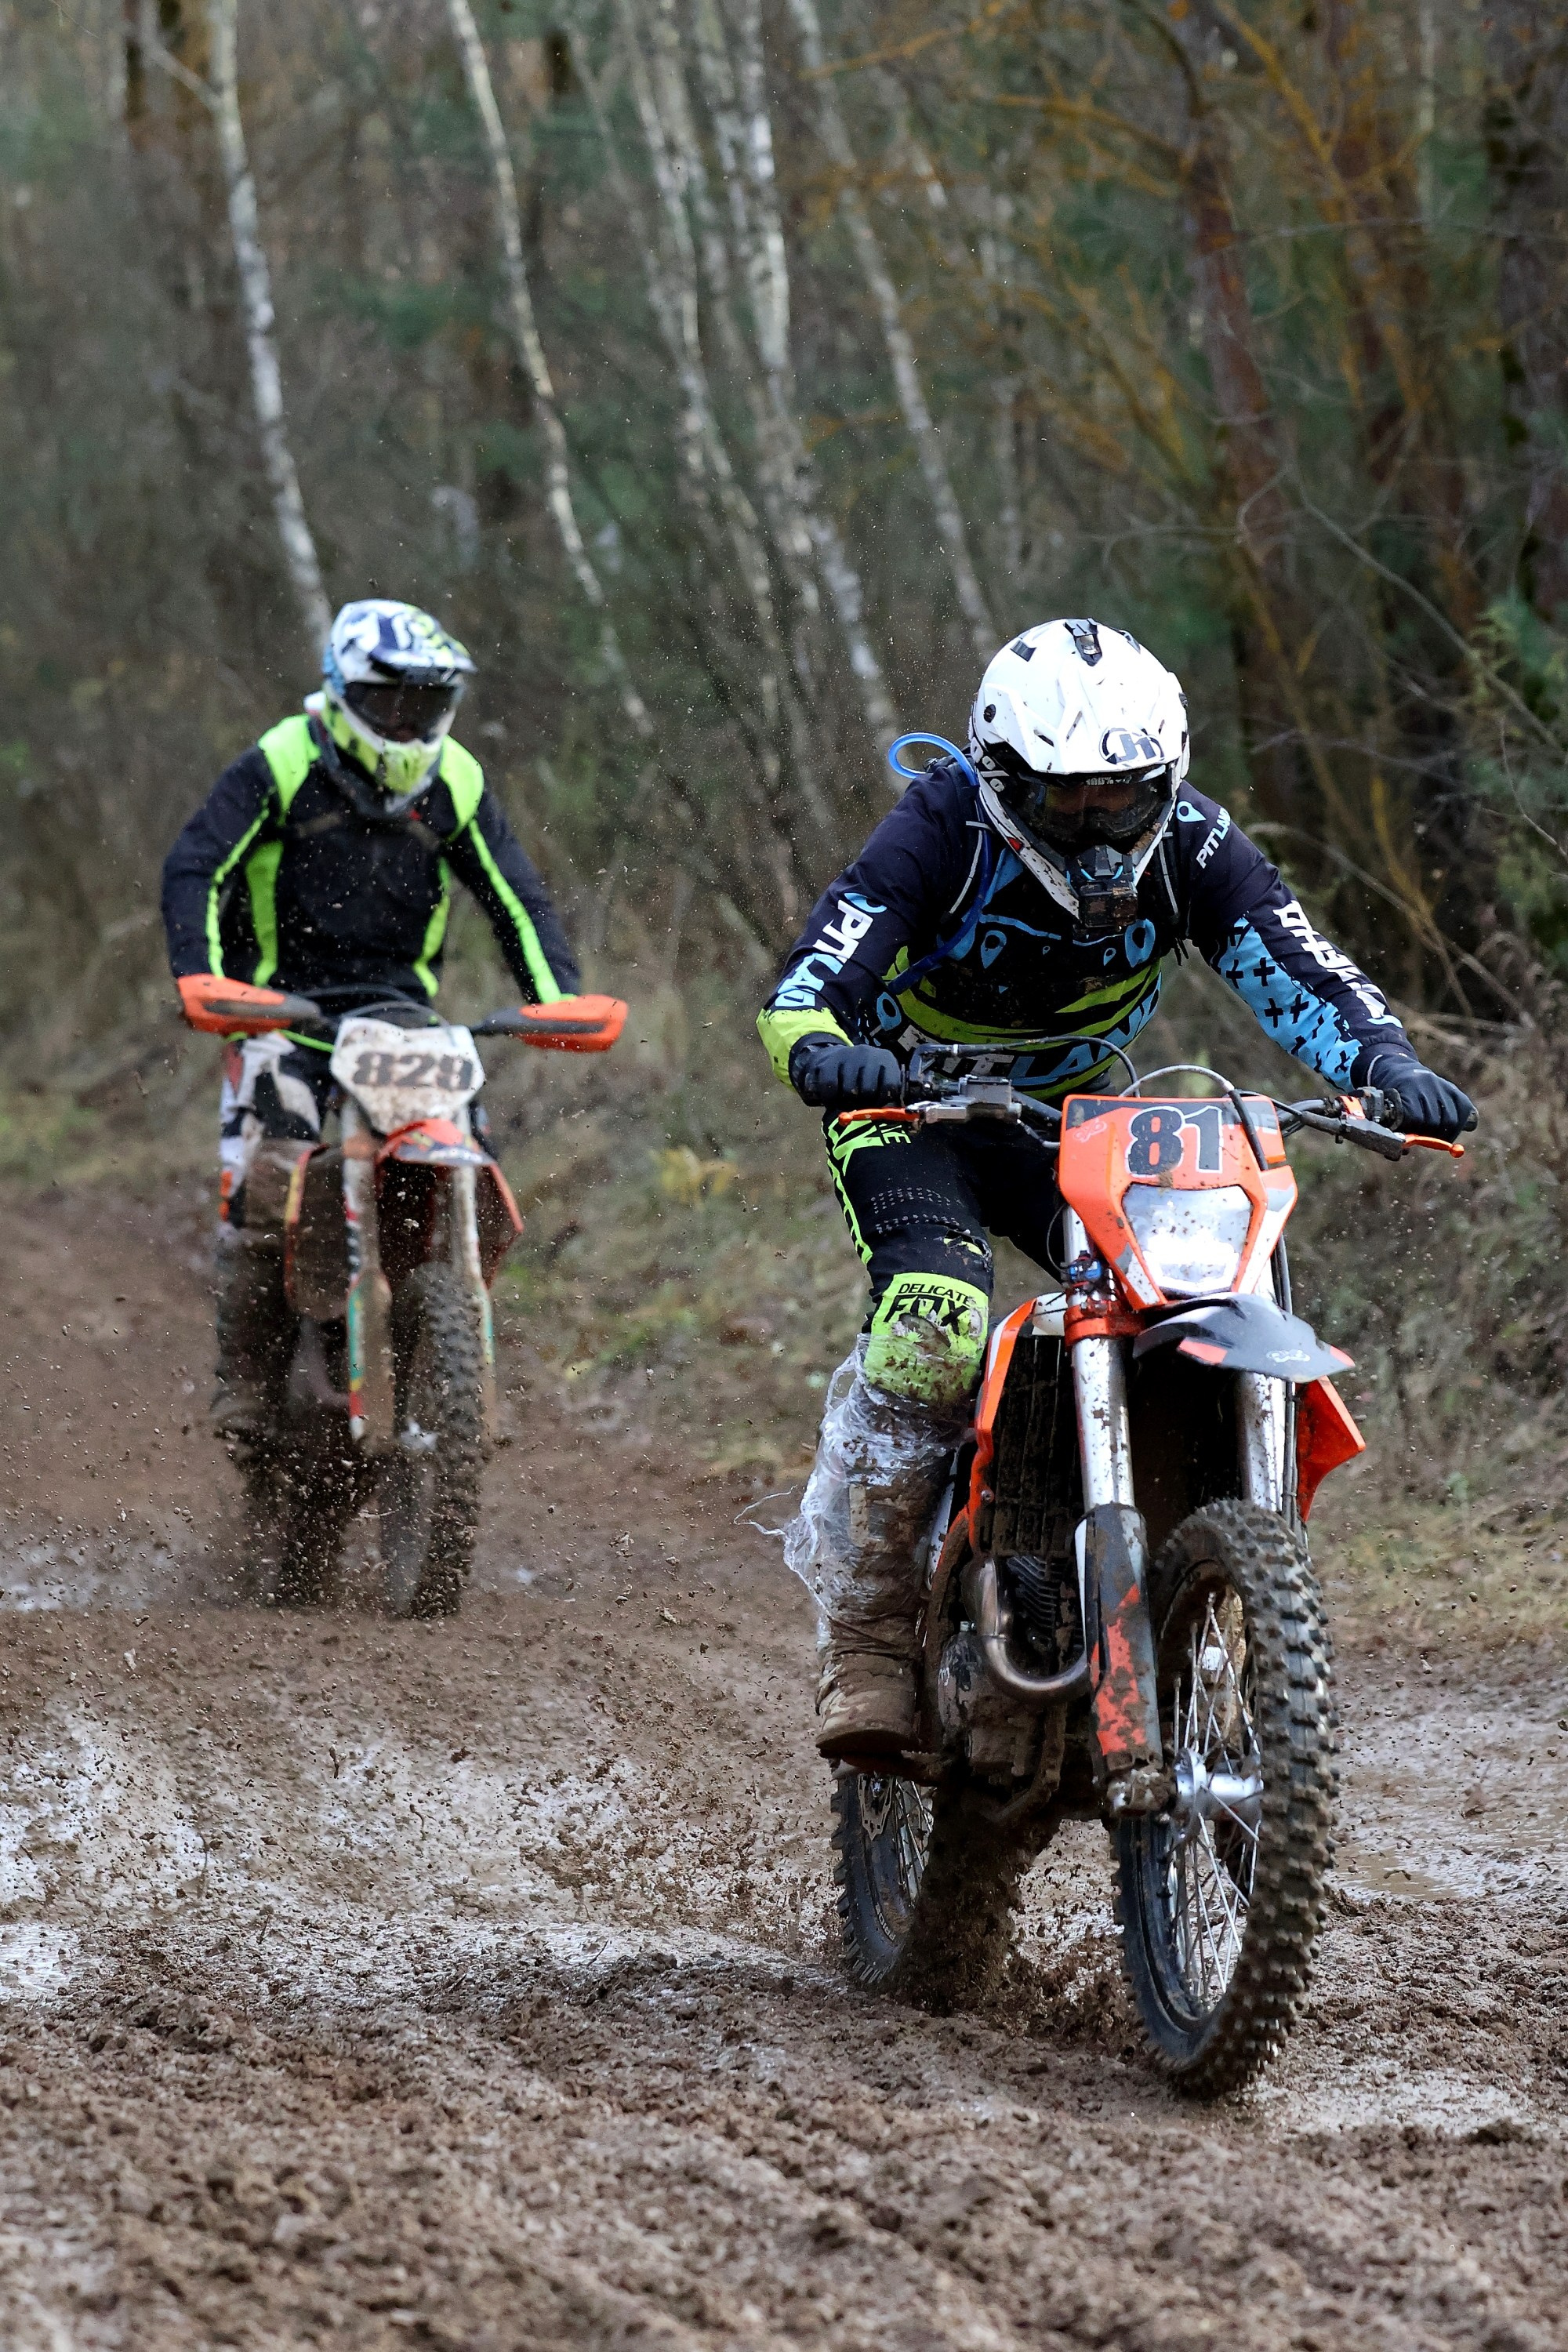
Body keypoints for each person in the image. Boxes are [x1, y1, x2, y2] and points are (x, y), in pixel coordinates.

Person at [757, 617, 1477, 1762]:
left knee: (1192, 1302)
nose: (1098, 830)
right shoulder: (940, 825)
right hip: (915, 1112)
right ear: (1004, 783)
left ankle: (1205, 1601)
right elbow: (808, 980)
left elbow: (1299, 967)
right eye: (1066, 803)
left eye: (1122, 798)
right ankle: (874, 1636)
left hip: (1077, 1119)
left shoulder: (1192, 844)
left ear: (1166, 783)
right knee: (936, 1318)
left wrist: (1385, 1066)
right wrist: (821, 1051)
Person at [162, 597, 580, 1454]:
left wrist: (554, 994)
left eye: (424, 704)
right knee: (267, 1179)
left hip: (405, 1028)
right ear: (344, 693)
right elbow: (196, 866)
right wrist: (202, 977)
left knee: (472, 1157)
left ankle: (453, 1355)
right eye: (389, 701)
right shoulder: (281, 762)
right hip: (286, 1019)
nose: (405, 720)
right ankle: (243, 1378)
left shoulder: (453, 778)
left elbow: (515, 894)